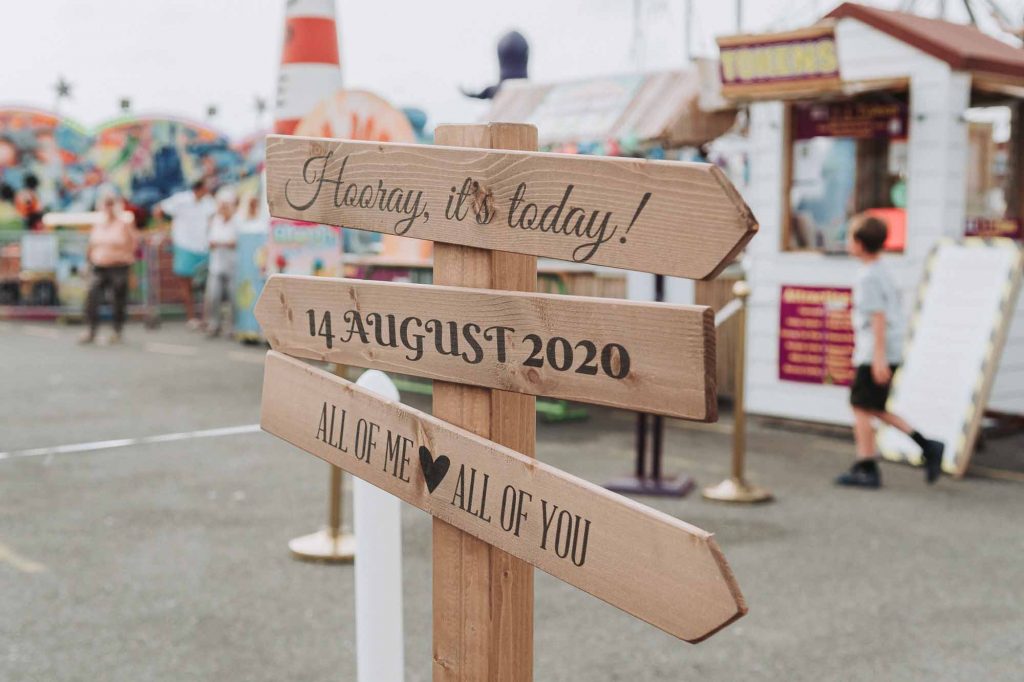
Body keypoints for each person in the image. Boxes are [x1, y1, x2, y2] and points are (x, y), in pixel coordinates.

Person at [836, 215, 944, 488]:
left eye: (850, 238)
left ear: (860, 244)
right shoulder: (881, 270)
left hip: (875, 352)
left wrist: (878, 359)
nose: (848, 243)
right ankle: (921, 448)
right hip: (882, 350)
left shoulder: (868, 277)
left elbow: (878, 318)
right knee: (871, 407)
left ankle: (868, 466)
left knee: (861, 407)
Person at [80, 188, 138, 344]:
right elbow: (91, 244)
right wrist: (87, 262)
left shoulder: (125, 223)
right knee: (92, 295)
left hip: (119, 265)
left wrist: (130, 264)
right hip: (99, 265)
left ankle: (117, 330)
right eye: (106, 204)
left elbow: (133, 244)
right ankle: (91, 330)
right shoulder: (98, 223)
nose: (108, 207)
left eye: (111, 204)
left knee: (118, 298)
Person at [156, 179, 215, 329]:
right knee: (185, 285)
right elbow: (158, 210)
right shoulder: (181, 200)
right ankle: (191, 318)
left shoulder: (209, 202)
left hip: (203, 248)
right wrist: (163, 231)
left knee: (206, 286)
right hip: (184, 246)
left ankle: (206, 318)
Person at [204, 187, 239, 338]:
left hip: (233, 265)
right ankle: (214, 324)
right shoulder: (214, 221)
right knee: (214, 296)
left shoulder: (237, 221)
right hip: (216, 265)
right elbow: (210, 241)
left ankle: (232, 326)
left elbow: (235, 242)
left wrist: (222, 244)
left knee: (233, 298)